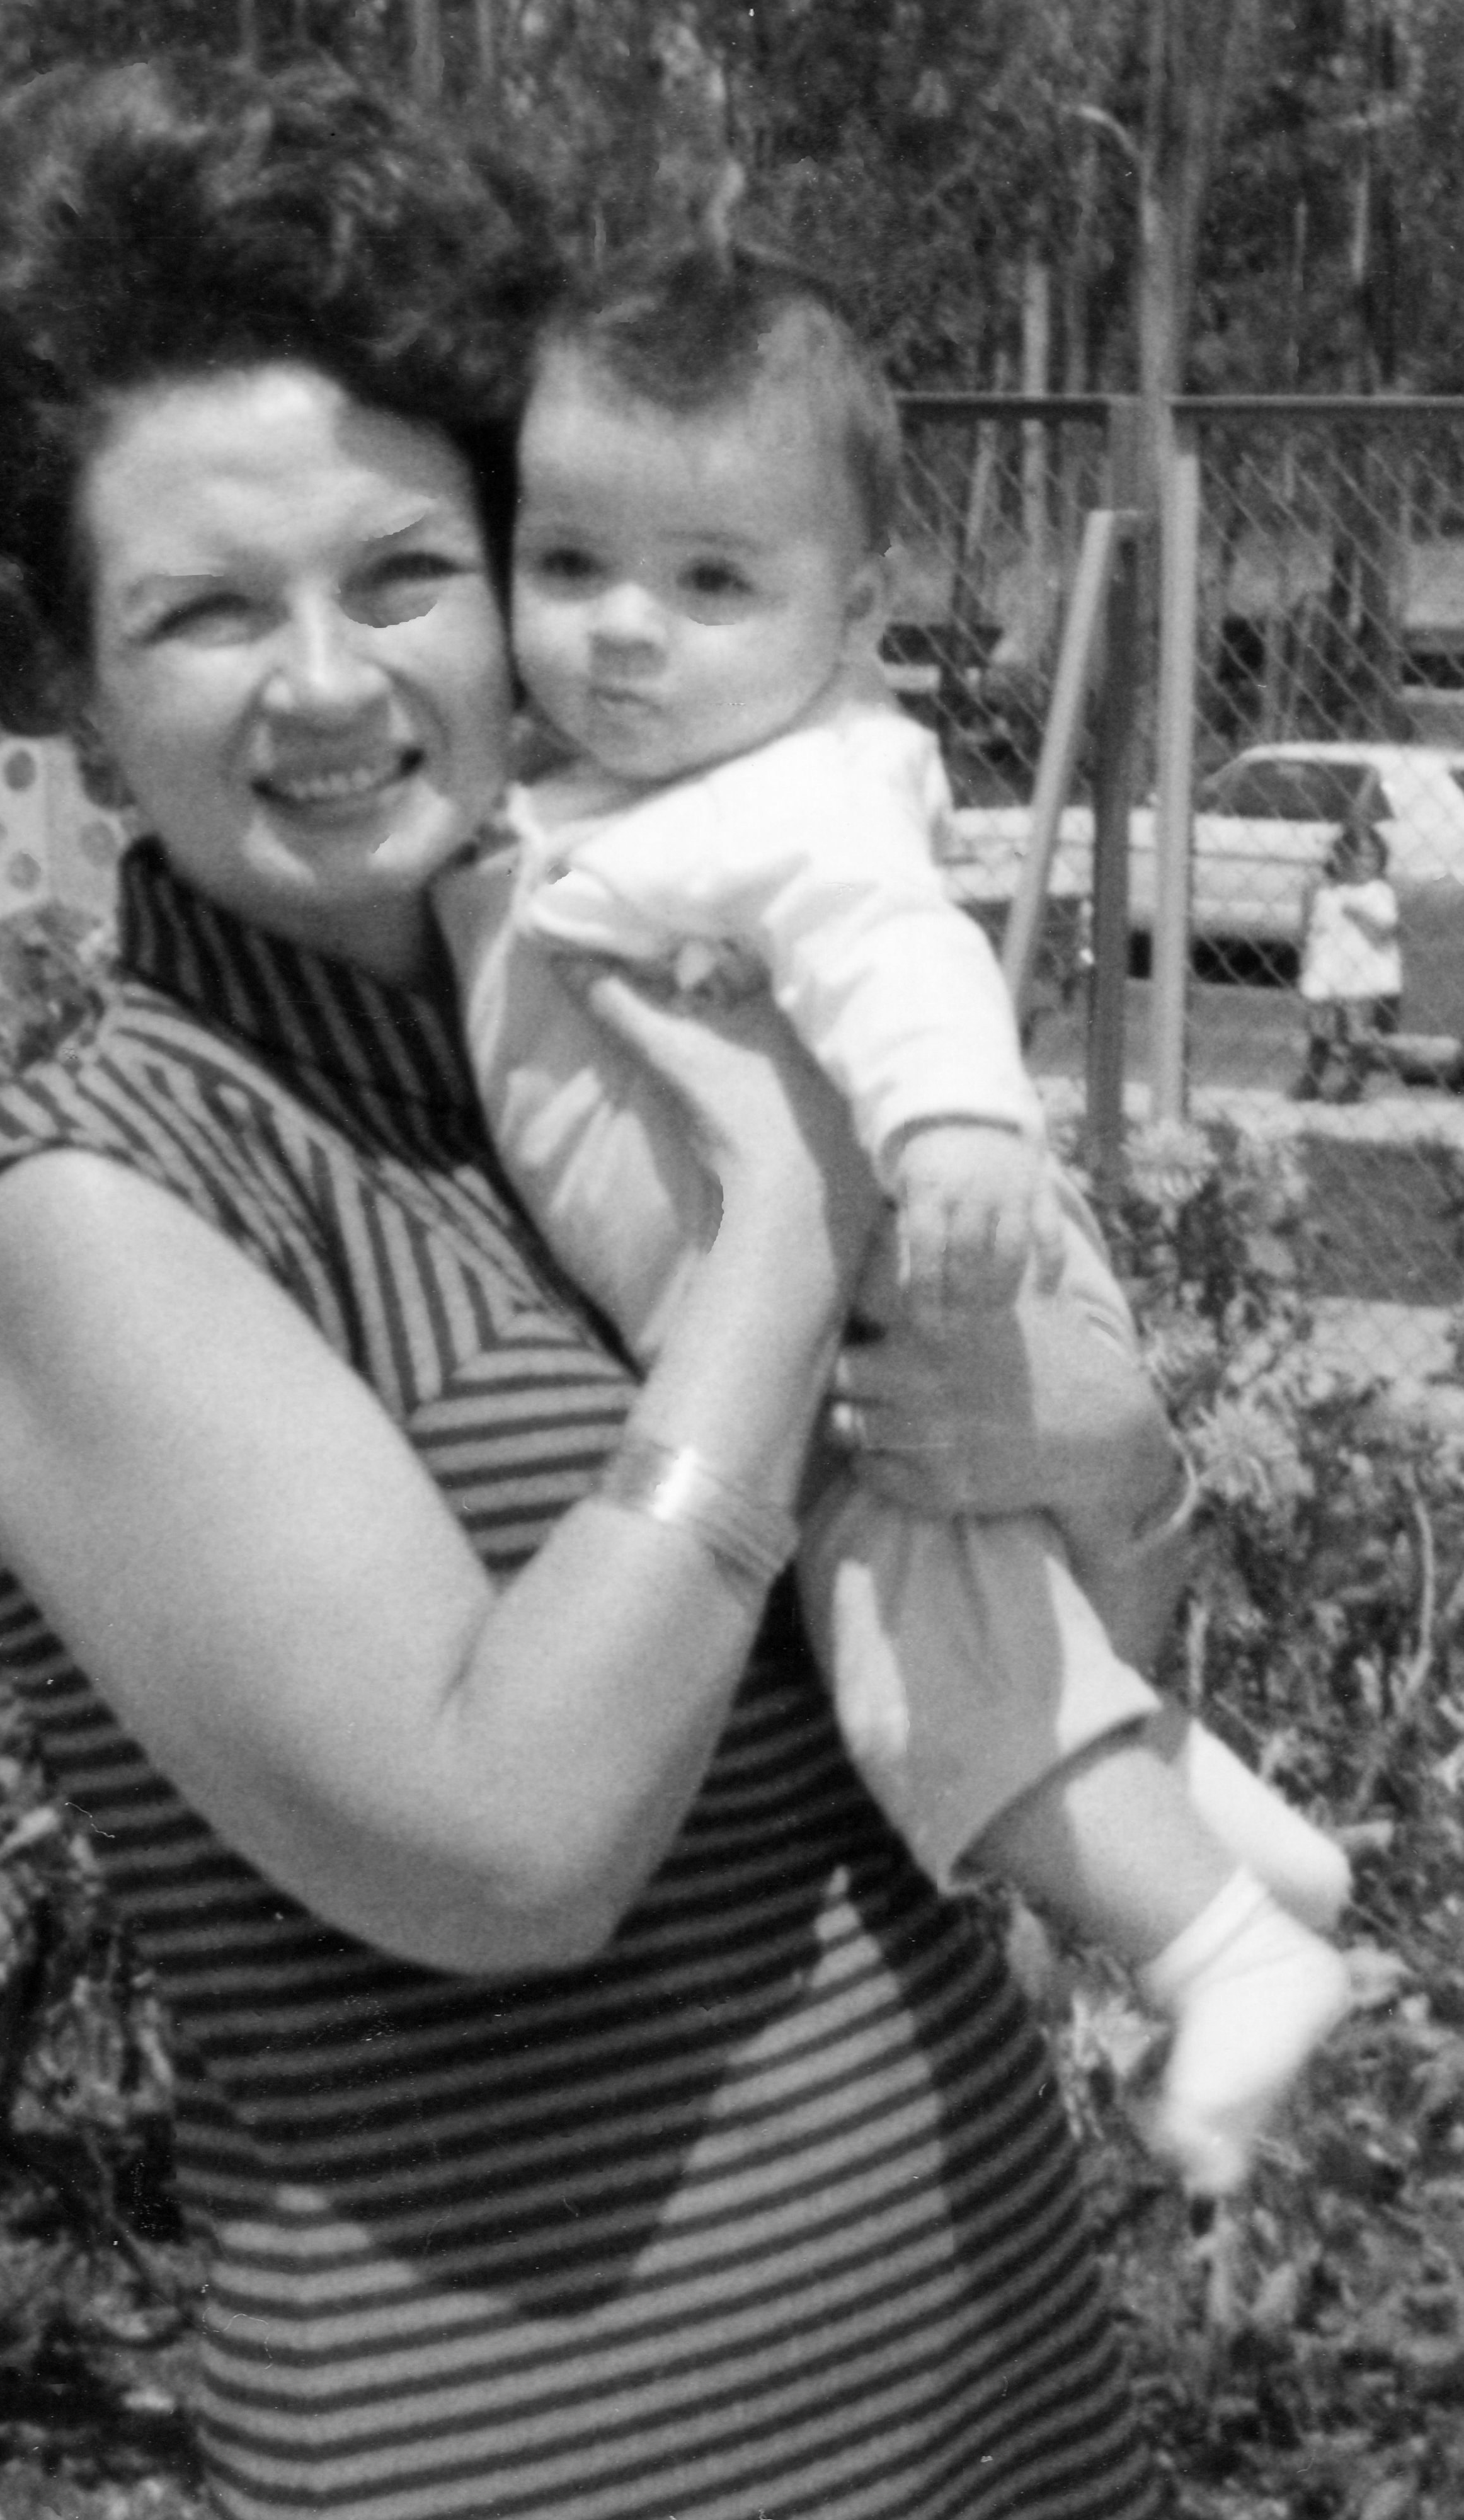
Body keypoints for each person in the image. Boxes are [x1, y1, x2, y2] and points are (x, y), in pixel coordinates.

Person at [0, 53, 1169, 2520]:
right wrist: (789, 1234)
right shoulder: (94, 1208)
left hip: (1005, 2422)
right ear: (67, 688)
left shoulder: (627, 1040)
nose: (333, 685)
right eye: (203, 612)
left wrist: (1097, 1442)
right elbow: (501, 1836)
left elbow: (1095, 1609)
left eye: (394, 572)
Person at [439, 235, 1352, 2198]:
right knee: (971, 1616)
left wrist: (953, 1132)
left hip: (888, 1291)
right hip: (840, 1300)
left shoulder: (794, 795)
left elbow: (891, 948)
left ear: (850, 612)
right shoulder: (594, 785)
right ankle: (1234, 1834)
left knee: (904, 1644)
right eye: (569, 563)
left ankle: (1221, 1947)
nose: (620, 635)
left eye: (709, 584)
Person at [1295, 806, 1402, 1102]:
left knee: (1358, 1033)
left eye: (1371, 856)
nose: (1364, 863)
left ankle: (1353, 1086)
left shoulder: (1379, 893)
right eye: (1356, 855)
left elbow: (1384, 931)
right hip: (1328, 973)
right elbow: (1313, 932)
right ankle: (1311, 1080)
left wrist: (1359, 913)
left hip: (1361, 977)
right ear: (1340, 858)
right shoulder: (1328, 892)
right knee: (1320, 1030)